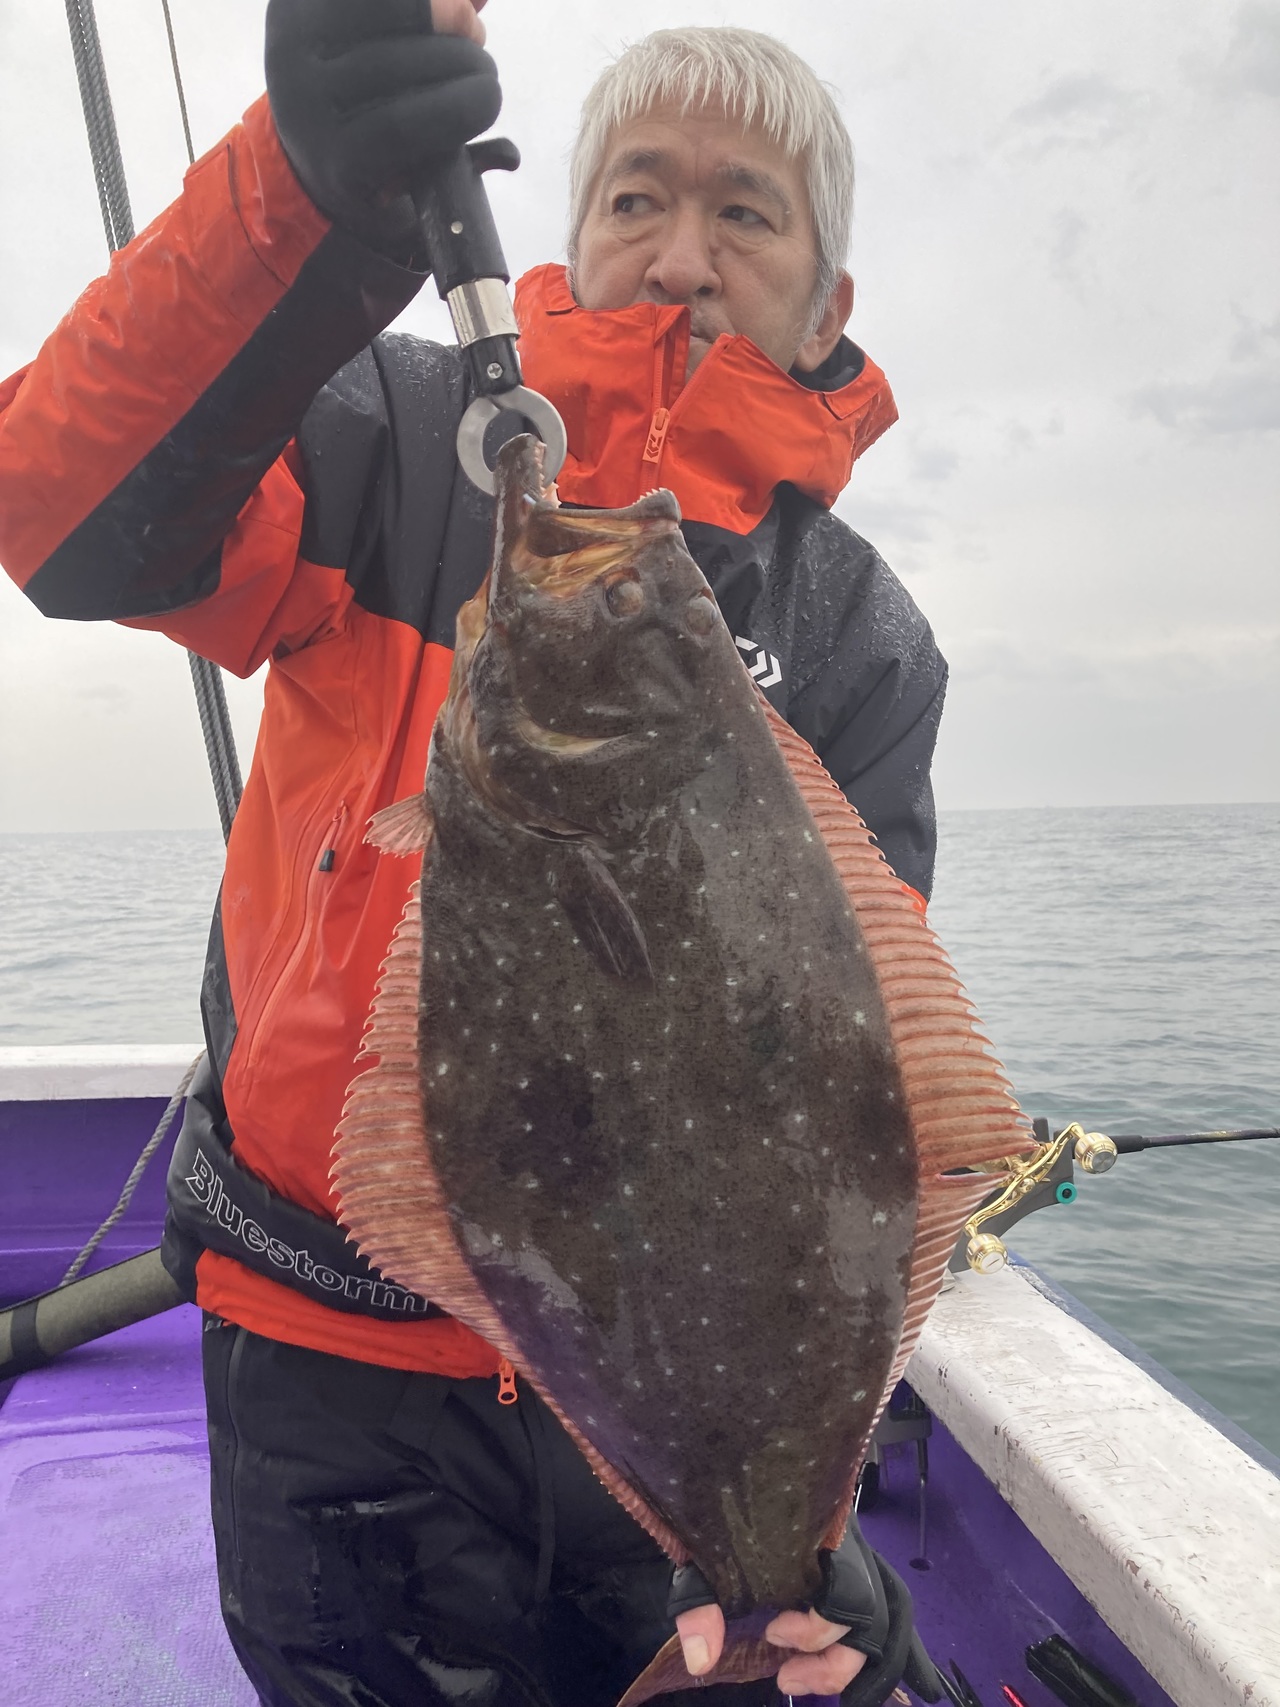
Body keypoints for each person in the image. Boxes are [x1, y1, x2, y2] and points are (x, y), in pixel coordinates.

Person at [0, 5, 948, 1704]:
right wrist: (301, 194)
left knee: (827, 1659)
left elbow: (844, 1098)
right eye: (638, 198)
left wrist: (786, 1500)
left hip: (642, 1394)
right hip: (330, 1362)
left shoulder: (859, 638)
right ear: (565, 239)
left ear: (829, 302)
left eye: (746, 212)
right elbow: (62, 516)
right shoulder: (384, 431)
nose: (683, 254)